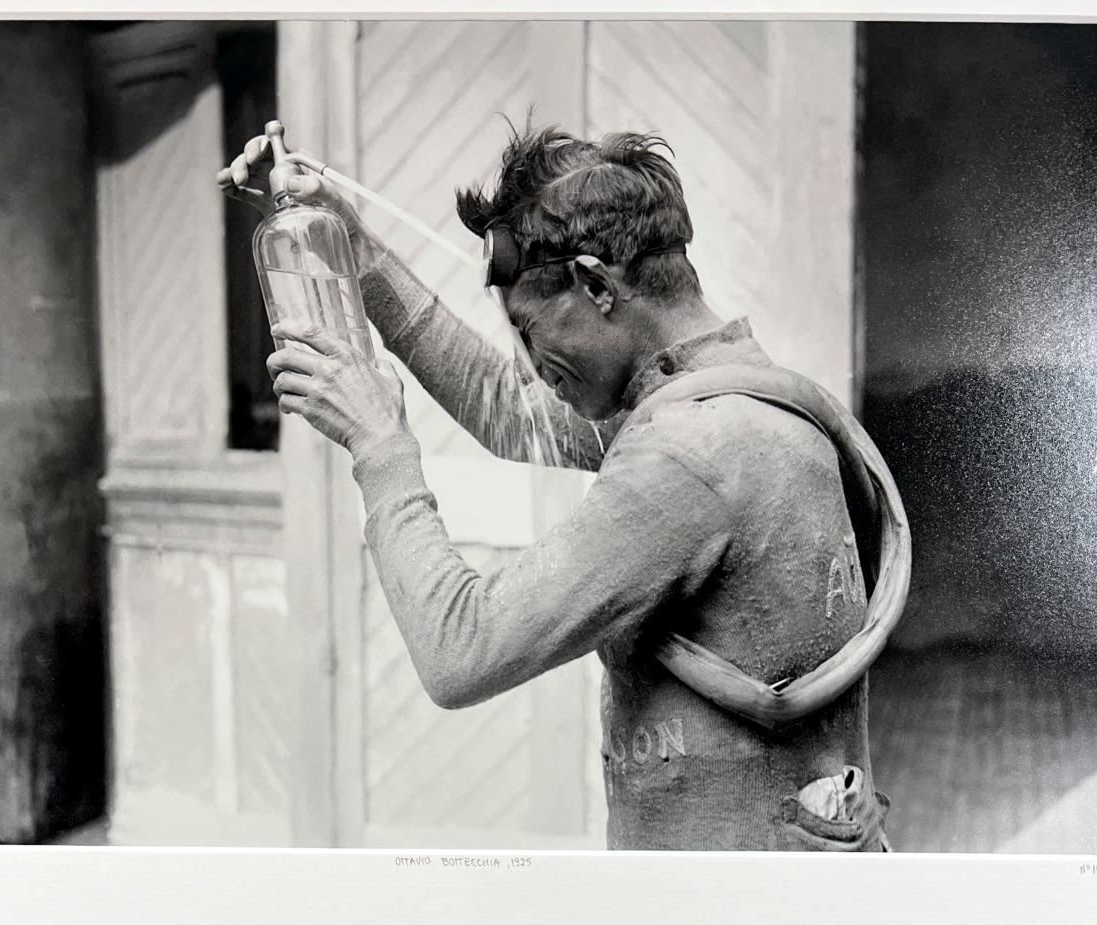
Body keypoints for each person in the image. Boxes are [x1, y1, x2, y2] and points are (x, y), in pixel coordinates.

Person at [218, 125, 891, 851]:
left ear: (596, 286)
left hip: (727, 889)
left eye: (530, 331)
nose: (532, 364)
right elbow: (510, 410)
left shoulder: (691, 453)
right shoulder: (734, 398)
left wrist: (379, 442)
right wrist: (352, 248)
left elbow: (460, 650)